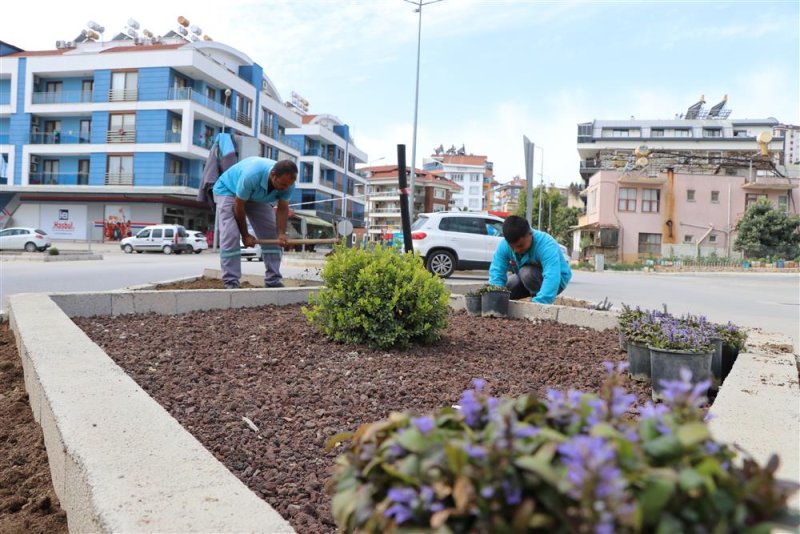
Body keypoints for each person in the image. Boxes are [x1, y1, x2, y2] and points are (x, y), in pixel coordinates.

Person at [212, 157, 298, 289]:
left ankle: (273, 280)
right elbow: (238, 207)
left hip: (256, 197)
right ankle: (231, 282)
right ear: (273, 175)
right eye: (282, 185)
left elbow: (282, 208)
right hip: (229, 190)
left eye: (288, 185)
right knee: (231, 235)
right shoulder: (251, 175)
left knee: (272, 235)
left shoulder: (288, 184)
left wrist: (281, 233)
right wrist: (245, 235)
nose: (285, 188)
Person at [488, 215, 572, 304]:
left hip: (556, 280)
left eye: (520, 246)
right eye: (512, 247)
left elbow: (552, 276)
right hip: (525, 278)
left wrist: (539, 304)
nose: (516, 250)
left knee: (526, 273)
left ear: (530, 234)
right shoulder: (504, 245)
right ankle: (534, 296)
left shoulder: (546, 245)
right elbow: (497, 272)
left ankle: (539, 298)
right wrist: (495, 299)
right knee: (506, 290)